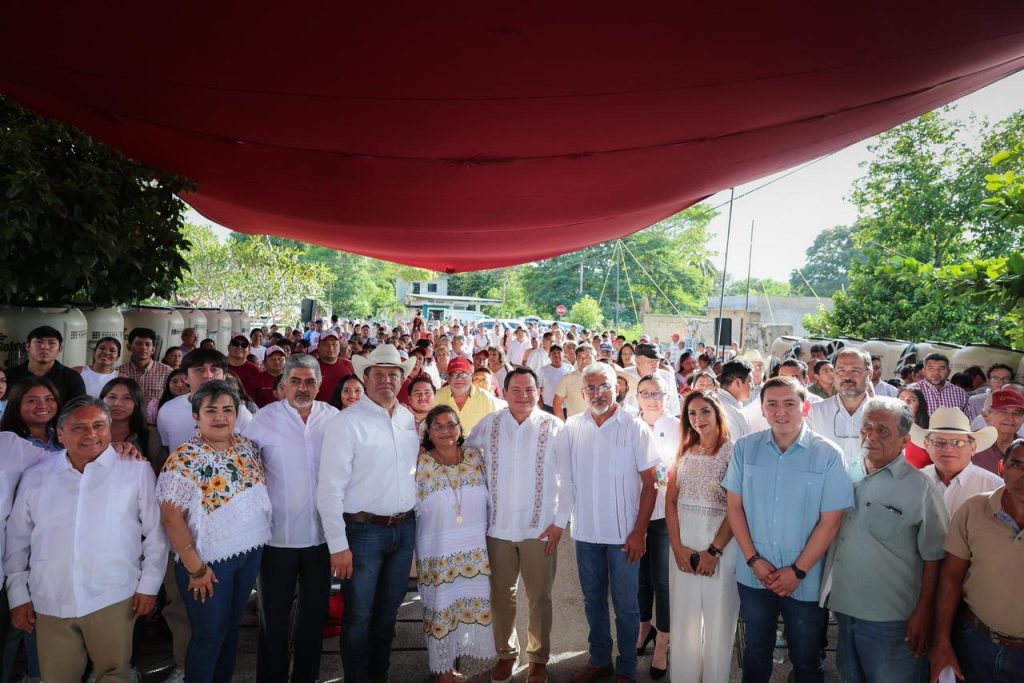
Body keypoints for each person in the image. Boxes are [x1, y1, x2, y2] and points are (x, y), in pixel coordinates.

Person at [5, 397, 167, 682]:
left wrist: (149, 586)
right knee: (56, 677)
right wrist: (18, 595)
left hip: (114, 595)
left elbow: (156, 533)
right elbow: (17, 540)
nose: (91, 434)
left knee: (115, 674)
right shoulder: (37, 475)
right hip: (50, 597)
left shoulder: (135, 470)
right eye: (79, 427)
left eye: (99, 426)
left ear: (110, 429)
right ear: (60, 433)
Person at [723, 376, 854, 683]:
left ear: (805, 408)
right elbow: (734, 508)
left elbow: (831, 521)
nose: (780, 412)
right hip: (755, 575)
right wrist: (754, 560)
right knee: (756, 651)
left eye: (789, 404)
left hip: (806, 579)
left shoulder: (829, 454)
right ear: (762, 409)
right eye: (772, 404)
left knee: (807, 657)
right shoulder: (745, 449)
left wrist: (798, 571)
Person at [824, 397, 948, 683]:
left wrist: (924, 613)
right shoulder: (846, 472)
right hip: (844, 609)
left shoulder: (921, 489)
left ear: (905, 441)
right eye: (867, 427)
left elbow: (935, 559)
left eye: (883, 431)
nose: (871, 435)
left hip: (893, 620)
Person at [316, 344, 420, 683]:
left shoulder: (406, 418)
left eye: (393, 374)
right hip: (362, 534)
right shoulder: (346, 423)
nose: (387, 380)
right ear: (365, 377)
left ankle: (379, 676)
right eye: (379, 374)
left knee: (387, 614)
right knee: (359, 616)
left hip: (403, 529)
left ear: (402, 379)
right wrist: (338, 545)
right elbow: (329, 489)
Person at [156, 381, 272, 683]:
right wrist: (196, 569)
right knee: (209, 634)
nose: (220, 417)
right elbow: (171, 519)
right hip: (208, 562)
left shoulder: (247, 446)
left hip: (249, 552)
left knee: (230, 629)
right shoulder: (184, 458)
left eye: (227, 410)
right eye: (211, 410)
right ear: (196, 416)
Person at [552, 363, 659, 683]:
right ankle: (599, 660)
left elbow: (651, 484)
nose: (598, 393)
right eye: (591, 388)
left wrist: (640, 532)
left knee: (626, 606)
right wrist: (559, 522)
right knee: (592, 601)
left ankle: (627, 667)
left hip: (624, 536)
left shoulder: (635, 427)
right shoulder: (572, 427)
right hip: (585, 533)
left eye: (604, 386)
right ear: (582, 392)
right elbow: (564, 481)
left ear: (618, 388)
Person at [242, 355, 338, 683]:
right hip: (276, 539)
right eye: (295, 381)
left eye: (310, 381)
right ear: (283, 385)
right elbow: (242, 467)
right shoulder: (263, 420)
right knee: (273, 619)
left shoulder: (334, 418)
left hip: (321, 539)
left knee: (314, 618)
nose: (302, 388)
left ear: (320, 384)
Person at [465, 369, 562, 683]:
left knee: (540, 596)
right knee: (501, 596)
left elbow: (570, 477)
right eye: (516, 390)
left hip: (540, 527)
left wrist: (561, 522)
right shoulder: (490, 424)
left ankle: (538, 658)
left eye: (529, 389)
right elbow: (465, 454)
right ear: (504, 393)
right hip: (498, 527)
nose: (523, 395)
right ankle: (506, 655)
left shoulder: (554, 427)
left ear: (539, 392)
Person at [929, 438, 1024, 683]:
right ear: (1002, 468)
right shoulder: (973, 509)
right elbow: (951, 578)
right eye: (1017, 465)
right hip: (976, 644)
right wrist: (942, 640)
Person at [415, 406, 496, 680]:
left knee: (466, 605)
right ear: (428, 432)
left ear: (460, 428)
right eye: (437, 426)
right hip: (439, 552)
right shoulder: (421, 463)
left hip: (473, 550)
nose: (445, 431)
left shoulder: (475, 457)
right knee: (442, 607)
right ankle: (443, 669)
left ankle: (455, 661)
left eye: (451, 424)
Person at [665, 390, 738, 683]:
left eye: (705, 411)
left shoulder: (733, 452)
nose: (698, 419)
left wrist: (714, 552)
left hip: (720, 547)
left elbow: (737, 508)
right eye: (692, 413)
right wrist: (677, 548)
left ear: (718, 413)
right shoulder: (683, 451)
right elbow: (671, 502)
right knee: (684, 621)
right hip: (683, 545)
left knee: (719, 621)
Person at [634, 375, 681, 678]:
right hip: (634, 512)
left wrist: (658, 475)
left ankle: (664, 639)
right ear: (636, 396)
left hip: (664, 512)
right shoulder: (629, 424)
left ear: (668, 396)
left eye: (658, 393)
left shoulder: (678, 427)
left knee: (662, 580)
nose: (652, 399)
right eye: (645, 393)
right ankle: (644, 627)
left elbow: (680, 468)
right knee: (639, 579)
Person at [157, 349, 255, 455]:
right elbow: (165, 448)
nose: (208, 376)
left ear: (224, 376)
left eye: (214, 370)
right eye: (199, 369)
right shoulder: (168, 410)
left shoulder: (240, 413)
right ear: (185, 377)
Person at [914, 407, 1002, 515]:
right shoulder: (913, 482)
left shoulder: (995, 488)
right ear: (927, 445)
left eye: (958, 442)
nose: (948, 449)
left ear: (972, 448)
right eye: (939, 442)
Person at [807, 348, 873, 472]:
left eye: (855, 371)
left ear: (869, 374)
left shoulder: (884, 415)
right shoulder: (814, 413)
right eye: (841, 371)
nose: (847, 377)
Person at [100, 377, 166, 472]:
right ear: (102, 400)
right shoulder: (91, 432)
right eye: (112, 397)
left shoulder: (150, 434)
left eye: (127, 398)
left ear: (137, 403)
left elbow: (158, 471)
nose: (118, 403)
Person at [6, 325, 86, 402]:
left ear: (60, 349)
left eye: (51, 343)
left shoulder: (71, 377)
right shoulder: (10, 375)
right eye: (39, 342)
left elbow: (80, 407)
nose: (45, 347)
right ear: (27, 346)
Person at [435, 356, 501, 435]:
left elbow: (496, 430)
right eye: (454, 374)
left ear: (471, 376)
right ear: (447, 377)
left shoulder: (487, 399)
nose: (459, 378)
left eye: (463, 374)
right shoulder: (436, 397)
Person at [117, 327, 174, 410]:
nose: (143, 347)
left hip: (157, 417)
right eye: (138, 343)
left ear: (153, 349)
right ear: (129, 347)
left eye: (147, 344)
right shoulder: (119, 372)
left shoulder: (166, 371)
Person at [0, 376, 63, 450]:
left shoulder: (64, 435)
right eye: (33, 400)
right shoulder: (7, 442)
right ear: (16, 404)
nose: (43, 406)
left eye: (48, 399)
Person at [974, 387, 1024, 474]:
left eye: (1017, 413)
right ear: (985, 416)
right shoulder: (969, 443)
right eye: (1003, 412)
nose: (1010, 418)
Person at [623, 345, 682, 418]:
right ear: (638, 361)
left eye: (657, 360)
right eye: (651, 361)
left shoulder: (667, 377)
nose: (655, 364)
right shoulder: (625, 375)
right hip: (630, 420)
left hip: (660, 422)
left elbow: (674, 408)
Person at [919, 353, 973, 418]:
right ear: (923, 371)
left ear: (949, 372)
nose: (936, 372)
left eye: (941, 369)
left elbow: (968, 418)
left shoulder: (960, 393)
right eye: (931, 368)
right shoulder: (912, 391)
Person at [553, 343, 595, 420]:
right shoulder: (567, 379)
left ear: (594, 358)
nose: (584, 360)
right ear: (576, 359)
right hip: (575, 425)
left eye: (587, 357)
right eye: (580, 357)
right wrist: (563, 424)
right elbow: (557, 404)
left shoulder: (602, 377)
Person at [715, 360, 753, 439]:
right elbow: (734, 444)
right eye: (750, 382)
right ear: (738, 383)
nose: (753, 386)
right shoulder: (727, 410)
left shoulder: (730, 405)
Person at [315, 331, 356, 402]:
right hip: (319, 408)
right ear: (318, 347)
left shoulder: (349, 365)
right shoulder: (311, 367)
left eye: (334, 344)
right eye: (326, 344)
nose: (331, 348)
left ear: (339, 347)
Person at [898, 385, 933, 468]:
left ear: (920, 404)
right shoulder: (889, 426)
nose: (906, 403)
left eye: (912, 400)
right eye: (901, 399)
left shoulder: (930, 428)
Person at [538, 345, 571, 414]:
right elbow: (538, 388)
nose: (556, 355)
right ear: (549, 356)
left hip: (566, 406)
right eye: (553, 353)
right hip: (548, 406)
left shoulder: (570, 368)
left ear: (563, 355)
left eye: (559, 353)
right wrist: (541, 405)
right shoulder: (543, 370)